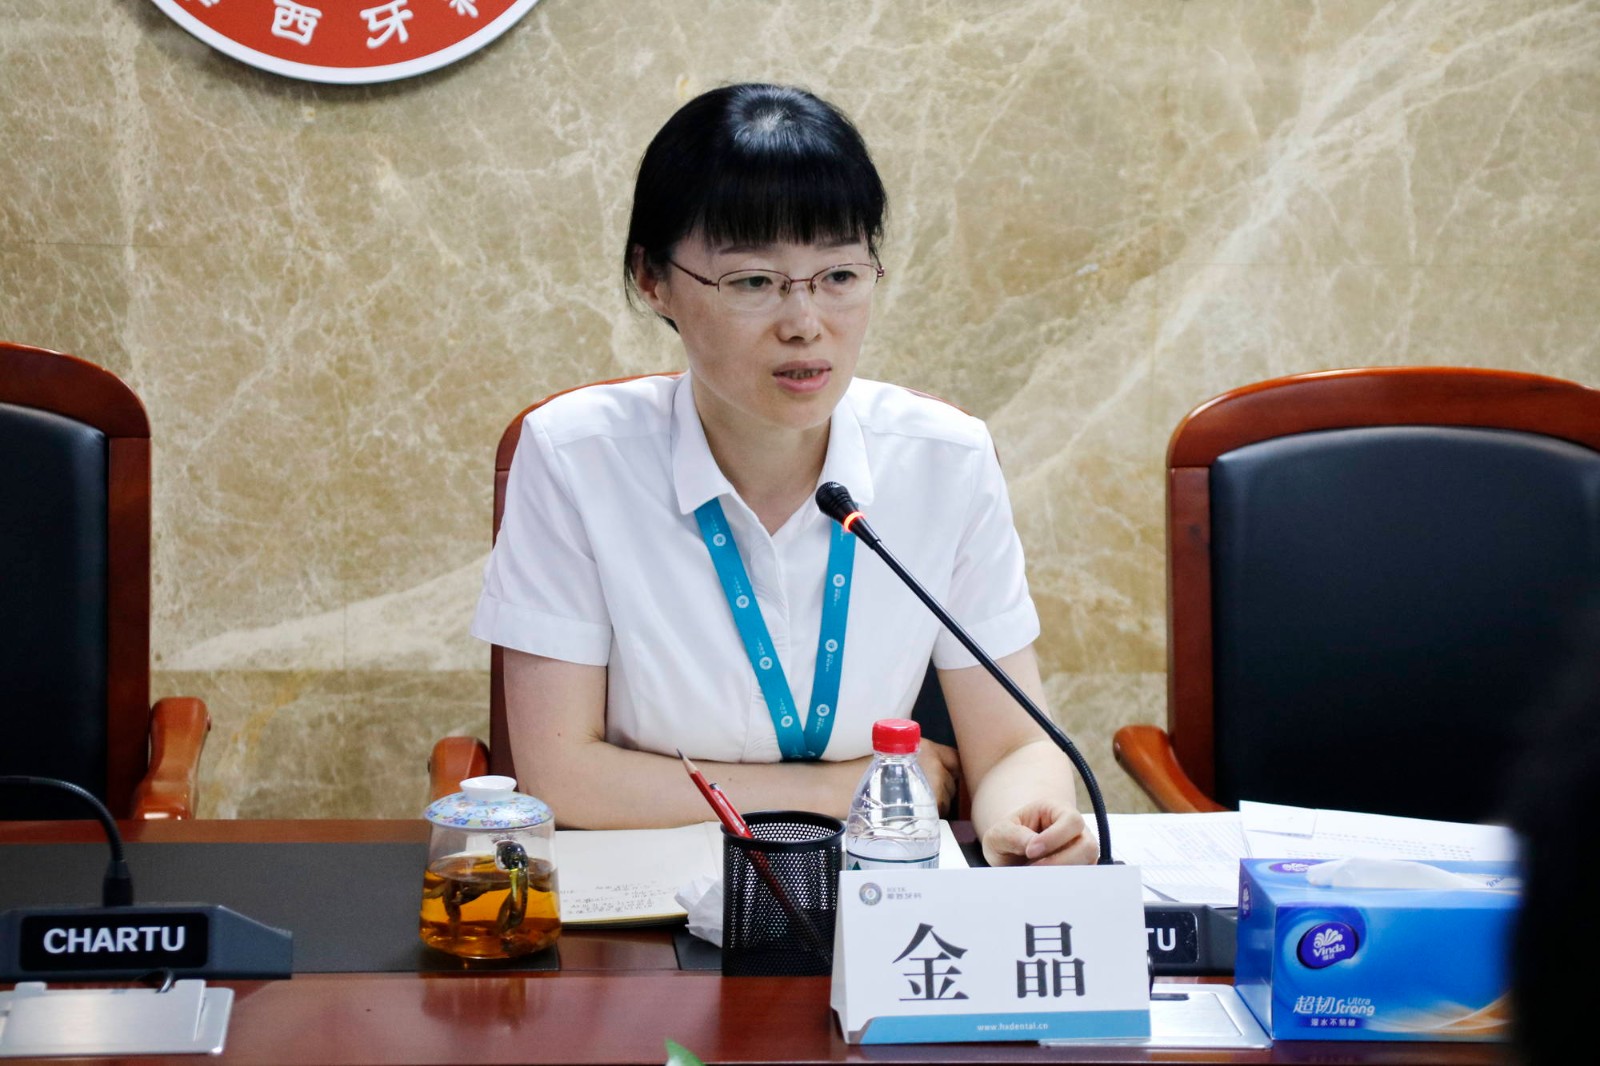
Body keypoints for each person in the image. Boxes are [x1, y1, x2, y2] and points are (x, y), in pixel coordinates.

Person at [472, 83, 1096, 866]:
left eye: (839, 276)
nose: (805, 324)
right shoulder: (575, 457)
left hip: (877, 893)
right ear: (652, 279)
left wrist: (1029, 820)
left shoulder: (946, 459)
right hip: (645, 902)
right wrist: (844, 790)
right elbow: (564, 776)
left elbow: (1013, 747)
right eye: (753, 283)